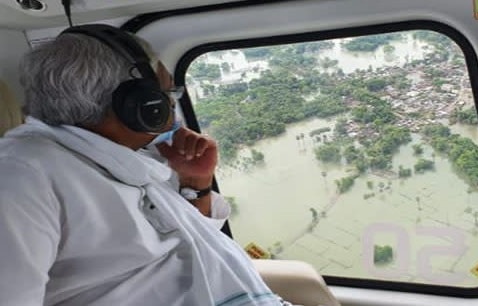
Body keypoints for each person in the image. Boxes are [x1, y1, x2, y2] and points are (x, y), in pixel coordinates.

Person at [0, 24, 289, 305]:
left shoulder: (130, 156)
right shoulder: (21, 177)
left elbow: (193, 243)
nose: (172, 105)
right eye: (167, 94)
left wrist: (195, 183)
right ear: (141, 104)